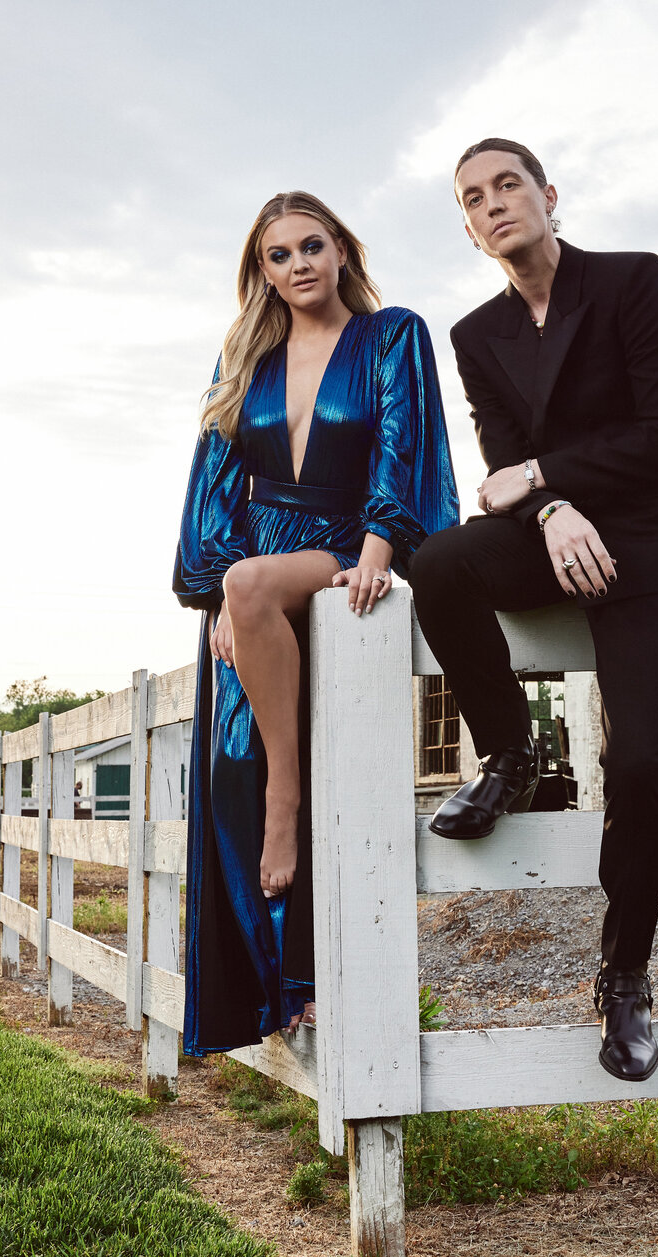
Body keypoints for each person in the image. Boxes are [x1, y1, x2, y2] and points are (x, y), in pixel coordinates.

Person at [409, 139, 658, 1083]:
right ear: (468, 229)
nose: (494, 204)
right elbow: (498, 472)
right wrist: (549, 507)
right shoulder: (475, 336)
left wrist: (544, 476)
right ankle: (509, 752)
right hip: (559, 536)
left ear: (547, 195)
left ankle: (623, 976)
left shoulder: (630, 282)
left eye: (508, 185)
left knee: (635, 759)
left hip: (649, 551)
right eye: (473, 198)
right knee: (442, 561)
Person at [173, 191, 460, 1056]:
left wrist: (379, 547)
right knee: (230, 769)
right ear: (260, 271)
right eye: (278, 255)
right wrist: (224, 591)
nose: (298, 265)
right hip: (251, 576)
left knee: (280, 781)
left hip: (337, 546)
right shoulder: (242, 363)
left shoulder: (391, 334)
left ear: (341, 250)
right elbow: (214, 485)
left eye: (311, 246)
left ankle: (286, 802)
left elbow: (403, 443)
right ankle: (271, 1002)